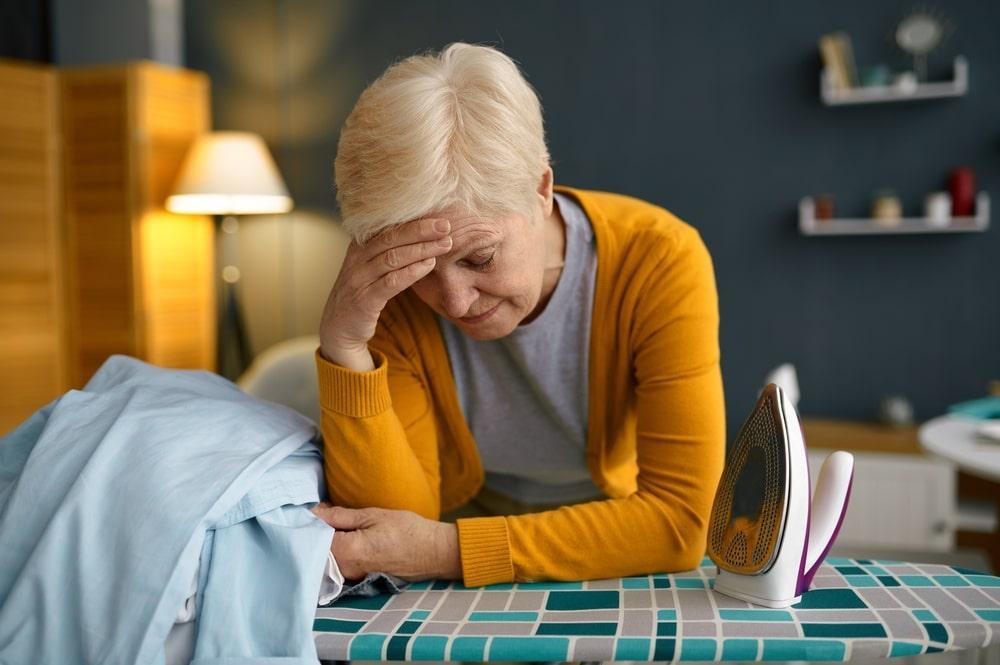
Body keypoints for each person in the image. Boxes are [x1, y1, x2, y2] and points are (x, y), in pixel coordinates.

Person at [310, 42, 725, 588]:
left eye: (479, 258)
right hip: (453, 571)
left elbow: (680, 524)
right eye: (422, 271)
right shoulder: (390, 289)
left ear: (541, 191)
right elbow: (389, 533)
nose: (454, 301)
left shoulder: (659, 258)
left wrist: (446, 549)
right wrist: (344, 346)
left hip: (609, 553)